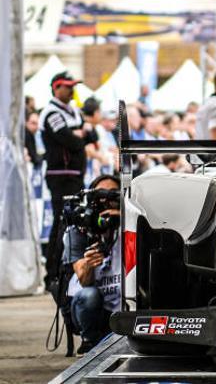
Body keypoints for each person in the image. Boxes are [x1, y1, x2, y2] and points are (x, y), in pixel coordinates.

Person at [39, 71, 95, 290]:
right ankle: (52, 274)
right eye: (68, 86)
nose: (72, 91)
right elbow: (70, 140)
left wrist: (80, 134)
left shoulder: (72, 111)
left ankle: (65, 270)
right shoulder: (50, 112)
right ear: (56, 88)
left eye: (73, 86)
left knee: (73, 224)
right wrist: (81, 133)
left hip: (75, 175)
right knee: (61, 222)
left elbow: (91, 136)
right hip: (60, 176)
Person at [63, 174, 122, 354]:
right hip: (91, 306)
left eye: (113, 194)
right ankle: (91, 343)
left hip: (123, 304)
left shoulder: (131, 223)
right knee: (89, 295)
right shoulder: (79, 230)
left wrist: (124, 219)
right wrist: (89, 264)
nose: (106, 200)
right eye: (101, 195)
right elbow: (84, 281)